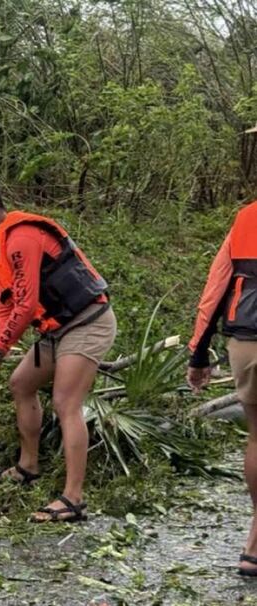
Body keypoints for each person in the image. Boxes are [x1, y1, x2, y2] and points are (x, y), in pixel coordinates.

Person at [0, 181, 117, 523]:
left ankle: (74, 499)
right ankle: (27, 467)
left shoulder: (21, 238)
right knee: (21, 384)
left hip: (87, 322)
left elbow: (28, 303)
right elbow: (7, 306)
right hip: (56, 329)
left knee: (66, 402)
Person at [186, 199, 257, 576]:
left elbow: (216, 290)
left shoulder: (245, 218)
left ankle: (254, 545)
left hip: (245, 341)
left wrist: (199, 353)